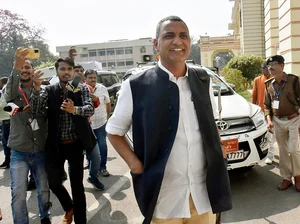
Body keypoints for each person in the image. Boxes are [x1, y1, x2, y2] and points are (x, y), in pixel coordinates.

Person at [106, 15, 232, 224]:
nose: (177, 41)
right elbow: (114, 131)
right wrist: (135, 165)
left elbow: (208, 122)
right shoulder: (137, 85)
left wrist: (219, 146)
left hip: (203, 193)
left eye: (183, 36)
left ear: (189, 43)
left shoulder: (203, 80)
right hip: (164, 198)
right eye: (169, 36)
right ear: (156, 44)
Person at [31, 57, 96, 224]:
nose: (66, 72)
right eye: (62, 69)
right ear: (57, 71)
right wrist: (37, 88)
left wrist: (74, 109)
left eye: (69, 69)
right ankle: (69, 207)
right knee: (53, 182)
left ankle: (81, 220)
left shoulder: (81, 89)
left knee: (77, 186)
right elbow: (37, 110)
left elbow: (90, 108)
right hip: (55, 146)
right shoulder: (49, 90)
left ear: (73, 71)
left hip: (75, 145)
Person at [4, 48, 51, 224]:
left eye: (28, 67)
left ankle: (45, 217)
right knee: (18, 192)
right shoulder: (13, 91)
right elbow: (8, 95)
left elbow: (42, 110)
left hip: (40, 149)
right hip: (19, 151)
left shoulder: (43, 89)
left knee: (43, 190)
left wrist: (38, 89)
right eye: (21, 68)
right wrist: (16, 65)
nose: (25, 70)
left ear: (33, 70)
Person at [264, 55, 300, 191]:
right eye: (268, 65)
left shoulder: (294, 81)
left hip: (294, 119)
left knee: (293, 149)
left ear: (282, 65)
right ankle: (286, 178)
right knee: (283, 151)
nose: (270, 67)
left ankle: (298, 176)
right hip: (278, 121)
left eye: (273, 64)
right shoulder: (268, 84)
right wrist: (269, 120)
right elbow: (267, 106)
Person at [73, 65, 105, 190]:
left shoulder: (88, 88)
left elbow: (93, 107)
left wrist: (95, 99)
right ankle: (76, 186)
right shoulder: (68, 87)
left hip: (86, 127)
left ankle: (93, 176)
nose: (79, 73)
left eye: (81, 71)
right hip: (71, 130)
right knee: (75, 161)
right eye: (77, 71)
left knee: (96, 156)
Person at [85, 69, 111, 177]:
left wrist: (107, 117)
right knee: (88, 146)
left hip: (101, 122)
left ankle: (102, 167)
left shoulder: (102, 88)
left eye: (94, 78)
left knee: (102, 144)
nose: (93, 80)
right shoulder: (82, 89)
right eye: (90, 78)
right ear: (85, 79)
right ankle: (91, 164)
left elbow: (108, 103)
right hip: (87, 124)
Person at [252, 62, 276, 165]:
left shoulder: (274, 79)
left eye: (268, 68)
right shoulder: (257, 80)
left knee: (271, 134)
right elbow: (254, 95)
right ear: (261, 70)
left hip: (273, 111)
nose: (266, 71)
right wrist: (253, 109)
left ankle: (270, 155)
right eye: (264, 69)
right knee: (263, 134)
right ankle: (262, 152)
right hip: (261, 112)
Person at [0, 77, 11, 169]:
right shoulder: (8, 88)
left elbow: (3, 104)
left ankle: (8, 161)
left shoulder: (5, 88)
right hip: (7, 119)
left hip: (7, 120)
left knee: (7, 142)